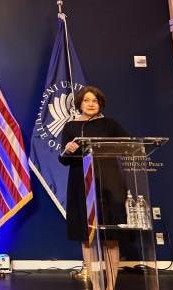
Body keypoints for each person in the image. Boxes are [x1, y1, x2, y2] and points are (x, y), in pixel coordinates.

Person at [59, 85, 128, 290]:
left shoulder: (110, 124)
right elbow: (63, 160)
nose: (91, 104)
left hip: (109, 183)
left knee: (111, 237)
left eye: (95, 101)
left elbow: (126, 145)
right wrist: (68, 150)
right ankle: (96, 286)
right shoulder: (71, 127)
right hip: (81, 184)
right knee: (86, 236)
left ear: (100, 104)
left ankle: (110, 286)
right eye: (86, 100)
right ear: (80, 104)